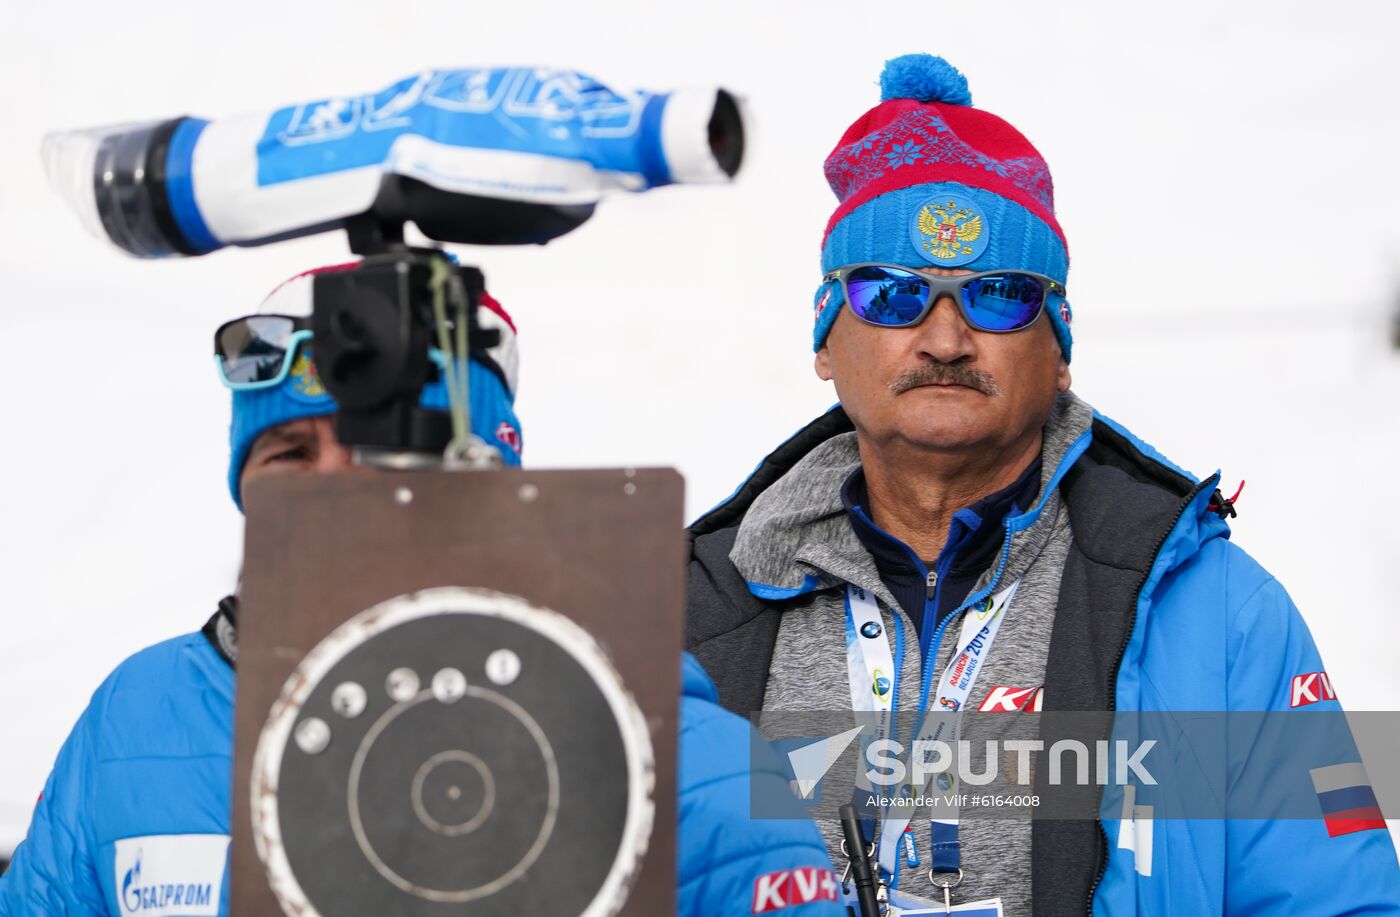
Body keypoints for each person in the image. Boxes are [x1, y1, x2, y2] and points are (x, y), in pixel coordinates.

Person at [684, 54, 1400, 915]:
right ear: (825, 341)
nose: (944, 338)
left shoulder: (1217, 617)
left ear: (1061, 349)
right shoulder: (689, 613)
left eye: (999, 296)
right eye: (891, 294)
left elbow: (1341, 902)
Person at [0, 264, 845, 917]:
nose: (329, 495)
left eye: (380, 461)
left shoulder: (677, 745)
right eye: (288, 455)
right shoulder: (136, 715)